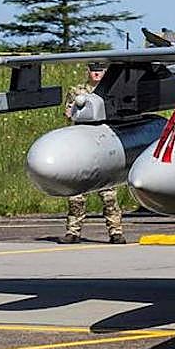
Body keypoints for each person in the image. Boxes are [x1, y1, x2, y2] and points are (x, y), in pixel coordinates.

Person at [59, 63, 126, 245]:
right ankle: (73, 231)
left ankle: (115, 231)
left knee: (109, 194)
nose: (97, 74)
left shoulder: (111, 92)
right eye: (93, 70)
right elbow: (68, 113)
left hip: (102, 143)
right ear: (88, 72)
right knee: (76, 195)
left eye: (100, 70)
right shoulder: (77, 91)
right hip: (82, 143)